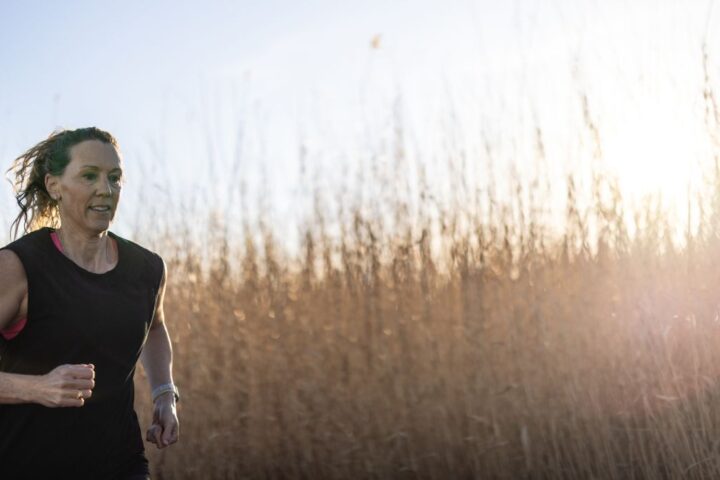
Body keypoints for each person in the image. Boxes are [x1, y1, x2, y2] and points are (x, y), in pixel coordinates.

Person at [0, 127, 180, 479]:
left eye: (115, 178)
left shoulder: (147, 268)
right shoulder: (18, 266)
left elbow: (154, 326)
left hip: (122, 465)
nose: (105, 189)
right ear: (54, 186)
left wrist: (164, 394)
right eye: (88, 176)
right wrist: (38, 388)